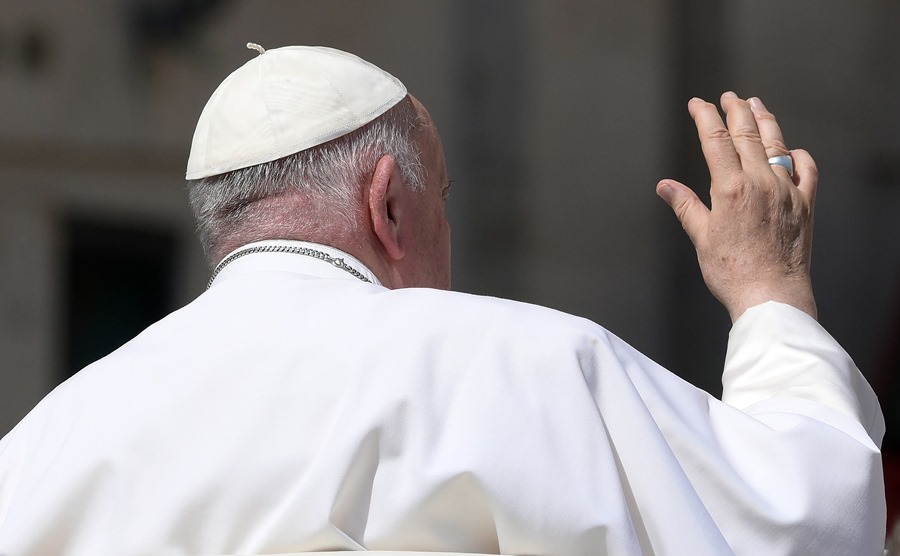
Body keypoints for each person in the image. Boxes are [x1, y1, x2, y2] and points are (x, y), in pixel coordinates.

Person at [0, 44, 885, 555]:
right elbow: (805, 523)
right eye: (443, 200)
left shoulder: (44, 443)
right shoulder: (524, 367)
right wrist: (770, 291)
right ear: (388, 204)